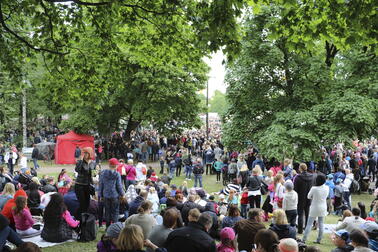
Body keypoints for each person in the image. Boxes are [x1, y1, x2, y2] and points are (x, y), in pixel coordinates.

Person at [302, 173, 329, 244]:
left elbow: (308, 196)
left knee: (309, 224)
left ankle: (304, 239)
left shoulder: (314, 188)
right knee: (321, 223)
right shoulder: (327, 187)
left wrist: (313, 197)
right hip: (323, 207)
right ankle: (319, 239)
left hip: (314, 207)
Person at [99, 158, 126, 228]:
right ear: (116, 165)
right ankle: (115, 227)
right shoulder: (117, 174)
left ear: (109, 165)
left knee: (107, 212)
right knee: (115, 212)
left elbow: (101, 185)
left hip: (105, 195)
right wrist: (123, 194)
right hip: (114, 196)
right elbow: (119, 186)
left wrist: (100, 195)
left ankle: (107, 227)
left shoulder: (103, 173)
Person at [75, 147, 96, 219]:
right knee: (82, 204)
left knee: (87, 204)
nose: (85, 154)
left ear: (90, 153)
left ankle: (85, 219)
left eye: (86, 153)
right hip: (79, 185)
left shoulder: (93, 163)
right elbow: (77, 170)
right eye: (84, 153)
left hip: (88, 185)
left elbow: (94, 173)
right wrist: (80, 161)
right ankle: (78, 219)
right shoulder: (80, 162)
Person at [294, 163, 314, 234]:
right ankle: (307, 228)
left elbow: (295, 189)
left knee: (300, 214)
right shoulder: (312, 177)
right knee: (307, 213)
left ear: (300, 168)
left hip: (300, 198)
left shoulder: (298, 178)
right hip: (309, 197)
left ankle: (300, 230)